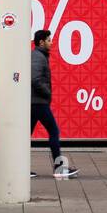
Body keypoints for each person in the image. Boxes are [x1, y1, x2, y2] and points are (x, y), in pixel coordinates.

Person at [31, 30, 79, 179]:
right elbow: (35, 79)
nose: (51, 42)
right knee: (53, 131)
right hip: (38, 102)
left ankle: (19, 169)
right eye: (49, 40)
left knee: (25, 136)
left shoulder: (38, 56)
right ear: (41, 42)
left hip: (35, 102)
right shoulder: (38, 57)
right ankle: (59, 168)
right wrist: (47, 93)